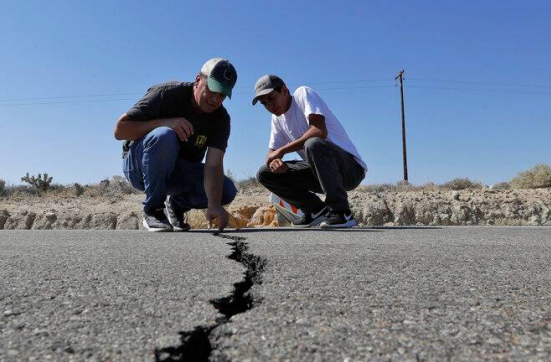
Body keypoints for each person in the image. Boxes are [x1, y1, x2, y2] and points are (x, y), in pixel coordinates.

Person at [114, 58, 238, 232]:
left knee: (226, 190)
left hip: (178, 172)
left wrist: (214, 204)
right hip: (139, 166)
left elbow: (214, 165)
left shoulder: (221, 119)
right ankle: (154, 210)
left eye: (222, 95)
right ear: (198, 80)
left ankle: (177, 205)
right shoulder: (167, 93)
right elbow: (120, 130)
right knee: (164, 135)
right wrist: (167, 122)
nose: (215, 99)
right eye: (212, 90)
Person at [252, 75, 367, 228]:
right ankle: (316, 211)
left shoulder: (303, 94)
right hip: (322, 173)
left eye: (271, 98)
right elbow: (271, 153)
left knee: (313, 144)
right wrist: (275, 162)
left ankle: (341, 212)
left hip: (350, 170)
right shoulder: (277, 119)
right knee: (265, 173)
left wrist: (282, 151)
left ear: (284, 91)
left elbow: (319, 131)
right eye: (264, 103)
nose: (269, 106)